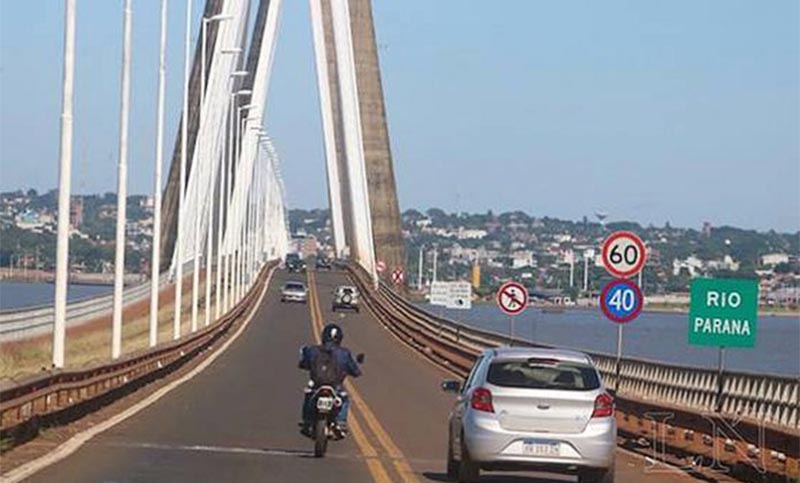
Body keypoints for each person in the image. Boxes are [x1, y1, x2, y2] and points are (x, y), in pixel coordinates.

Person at [298, 323, 361, 436]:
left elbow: (304, 363)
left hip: (317, 385)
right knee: (344, 399)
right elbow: (354, 370)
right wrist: (356, 371)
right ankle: (341, 422)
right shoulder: (344, 353)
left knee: (308, 395)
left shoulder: (313, 350)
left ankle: (307, 421)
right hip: (335, 386)